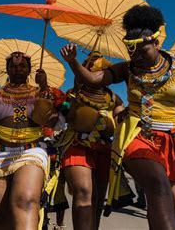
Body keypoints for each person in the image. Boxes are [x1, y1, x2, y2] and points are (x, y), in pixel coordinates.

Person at [60, 5, 175, 230]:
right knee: (157, 185)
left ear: (156, 43)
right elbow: (93, 80)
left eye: (142, 49)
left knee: (165, 205)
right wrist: (73, 62)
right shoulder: (127, 69)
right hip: (140, 136)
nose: (136, 55)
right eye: (131, 50)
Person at [0, 52, 63, 230]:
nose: (18, 69)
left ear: (30, 70)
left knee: (24, 200)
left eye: (23, 66)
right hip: (1, 153)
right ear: (7, 70)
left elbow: (51, 122)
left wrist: (44, 88)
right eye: (14, 66)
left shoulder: (40, 92)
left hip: (31, 150)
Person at [59, 51, 124, 229]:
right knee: (84, 192)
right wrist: (68, 106)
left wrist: (125, 115)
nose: (97, 76)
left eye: (102, 73)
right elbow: (62, 117)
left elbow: (119, 117)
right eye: (93, 71)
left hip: (104, 148)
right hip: (77, 144)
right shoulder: (74, 94)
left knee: (97, 199)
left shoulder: (113, 97)